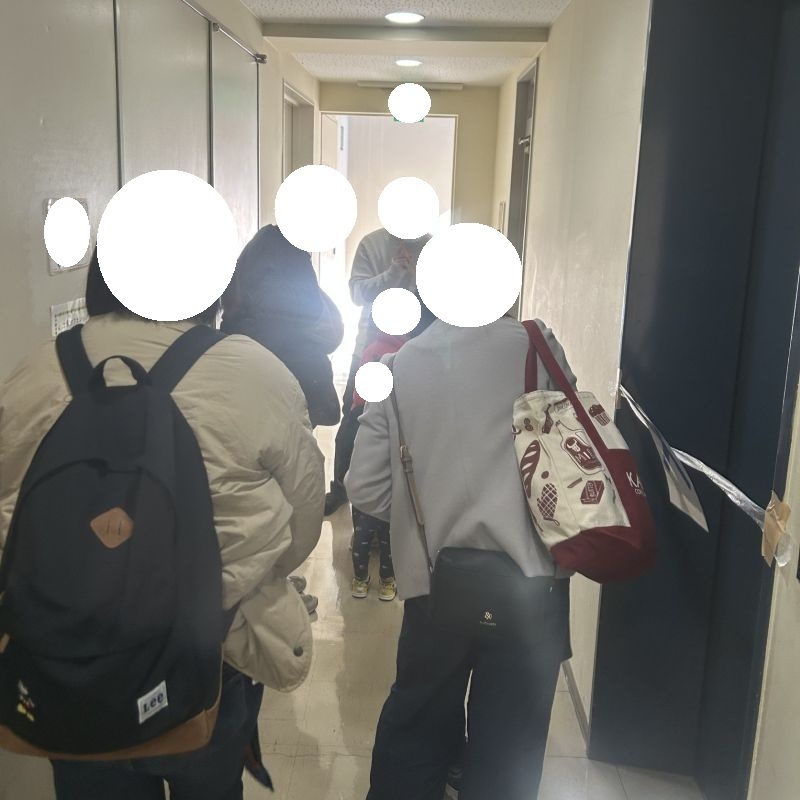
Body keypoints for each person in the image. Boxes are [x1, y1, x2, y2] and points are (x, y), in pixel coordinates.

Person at [0, 249, 325, 800]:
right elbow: (303, 519)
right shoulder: (254, 371)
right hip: (208, 655)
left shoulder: (35, 371)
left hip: (67, 665)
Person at [345, 310, 576, 800]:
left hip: (435, 586)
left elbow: (365, 487)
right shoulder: (537, 347)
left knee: (417, 725)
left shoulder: (397, 367)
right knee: (509, 748)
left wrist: (425, 514)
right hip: (533, 589)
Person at [221, 224, 343, 616]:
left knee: (263, 496)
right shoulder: (286, 258)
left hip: (251, 393)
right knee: (287, 496)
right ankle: (269, 586)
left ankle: (271, 580)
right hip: (289, 391)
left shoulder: (256, 264)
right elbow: (330, 330)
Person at [324, 228, 431, 515]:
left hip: (418, 348)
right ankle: (340, 488)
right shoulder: (372, 244)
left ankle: (405, 491)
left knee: (412, 419)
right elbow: (357, 294)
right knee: (354, 418)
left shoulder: (431, 244)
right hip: (370, 348)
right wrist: (394, 272)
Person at [349, 300, 437, 601]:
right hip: (411, 493)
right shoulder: (398, 359)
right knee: (389, 539)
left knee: (366, 534)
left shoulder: (387, 358)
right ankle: (385, 579)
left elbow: (362, 484)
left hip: (383, 481)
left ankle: (363, 578)